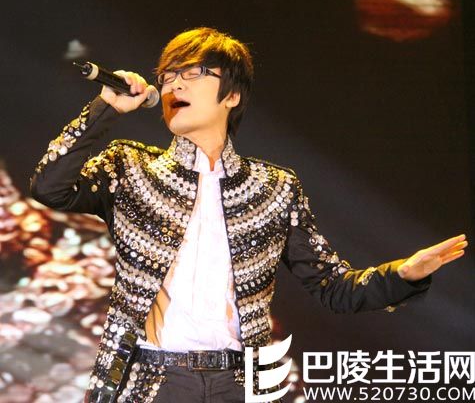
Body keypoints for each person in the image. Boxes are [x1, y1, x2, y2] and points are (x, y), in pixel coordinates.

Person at [30, 27, 468, 403]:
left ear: (233, 94)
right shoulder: (129, 169)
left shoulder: (274, 188)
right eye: (168, 75)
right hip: (151, 381)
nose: (174, 85)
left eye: (192, 72)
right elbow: (49, 187)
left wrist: (403, 275)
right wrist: (105, 108)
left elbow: (333, 287)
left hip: (239, 384)